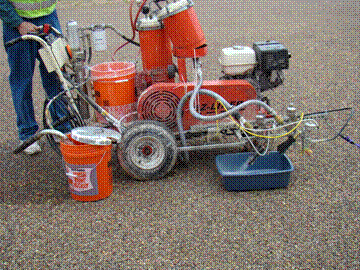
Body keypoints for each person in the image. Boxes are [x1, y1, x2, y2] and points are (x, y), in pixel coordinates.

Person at [0, 0, 63, 154]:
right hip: (18, 23)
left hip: (49, 17)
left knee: (57, 76)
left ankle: (61, 125)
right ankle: (28, 134)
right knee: (22, 82)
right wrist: (18, 23)